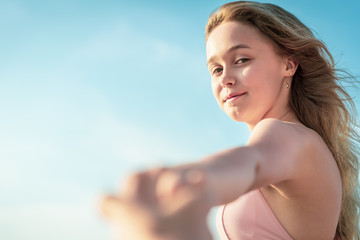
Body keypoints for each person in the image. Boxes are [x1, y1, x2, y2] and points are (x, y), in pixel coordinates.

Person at [100, 1, 360, 239]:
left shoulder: (287, 135)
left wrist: (191, 181)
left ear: (289, 64)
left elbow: (252, 163)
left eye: (242, 59)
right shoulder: (306, 144)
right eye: (216, 69)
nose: (225, 78)